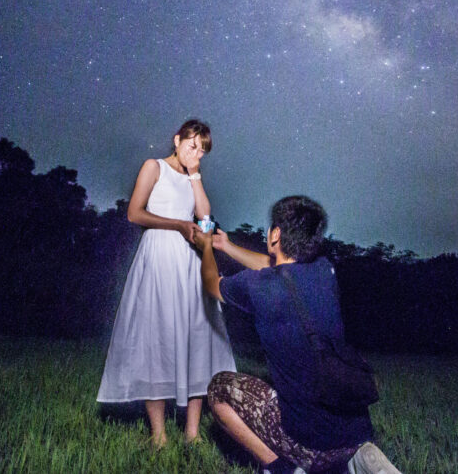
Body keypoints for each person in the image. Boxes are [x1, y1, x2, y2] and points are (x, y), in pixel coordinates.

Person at [193, 196, 402, 474]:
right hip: (356, 431)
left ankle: (283, 469)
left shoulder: (257, 286)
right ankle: (356, 457)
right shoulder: (325, 271)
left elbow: (211, 283)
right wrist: (228, 246)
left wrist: (207, 248)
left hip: (310, 444)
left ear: (275, 234)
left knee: (219, 388)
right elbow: (276, 269)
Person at [96, 119, 236, 447]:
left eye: (202, 150)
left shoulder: (193, 177)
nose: (196, 153)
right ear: (177, 140)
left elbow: (204, 219)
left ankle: (192, 433)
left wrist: (195, 176)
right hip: (158, 256)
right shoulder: (153, 167)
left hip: (189, 262)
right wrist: (177, 225)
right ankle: (158, 436)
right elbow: (134, 213)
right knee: (155, 337)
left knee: (198, 337)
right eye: (192, 145)